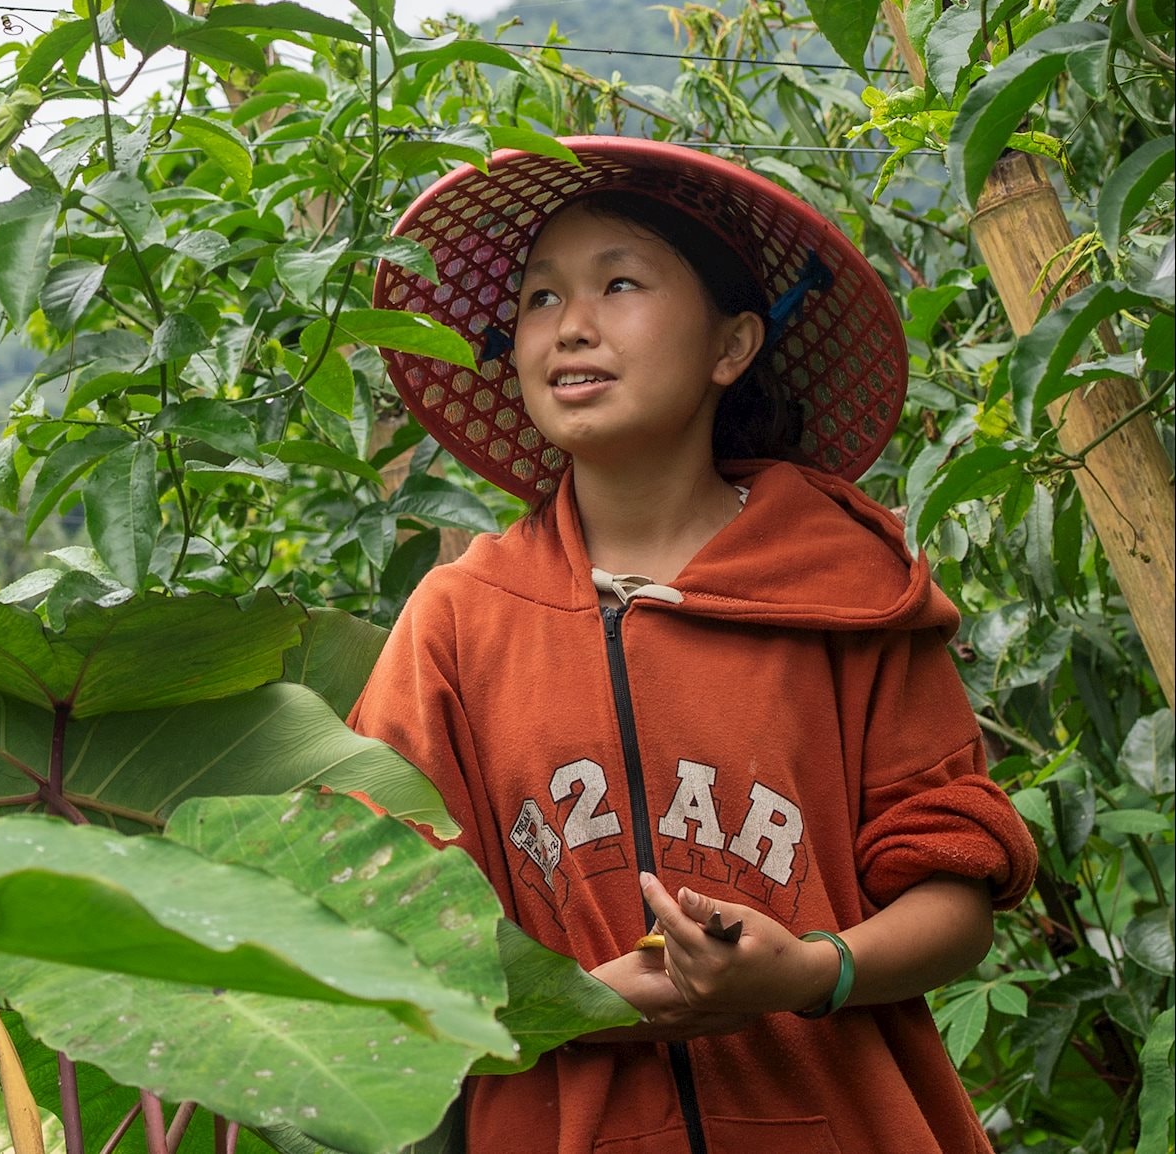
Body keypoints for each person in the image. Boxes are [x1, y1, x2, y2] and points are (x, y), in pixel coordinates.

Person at [351, 137, 1038, 1154]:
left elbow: (955, 891)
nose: (568, 326)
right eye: (538, 299)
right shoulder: (458, 620)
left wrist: (812, 970)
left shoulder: (850, 592)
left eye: (617, 283)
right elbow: (375, 923)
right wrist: (572, 1001)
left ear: (731, 346)